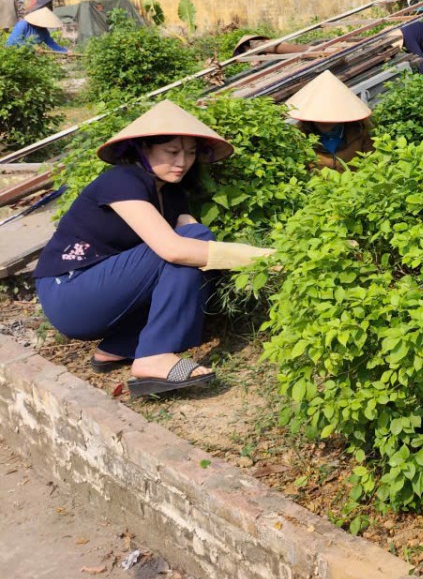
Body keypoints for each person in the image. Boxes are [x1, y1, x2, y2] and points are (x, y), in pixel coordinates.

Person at [33, 101, 274, 397]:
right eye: (172, 152)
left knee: (198, 246)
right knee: (187, 244)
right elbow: (173, 249)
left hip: (101, 295)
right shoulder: (121, 181)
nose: (183, 161)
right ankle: (155, 356)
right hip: (70, 293)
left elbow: (196, 242)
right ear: (143, 149)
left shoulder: (170, 194)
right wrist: (265, 258)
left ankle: (120, 346)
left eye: (190, 152)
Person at [287, 70, 374, 170]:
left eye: (330, 114)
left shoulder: (359, 130)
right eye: (319, 114)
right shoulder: (300, 137)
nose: (324, 121)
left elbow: (373, 163)